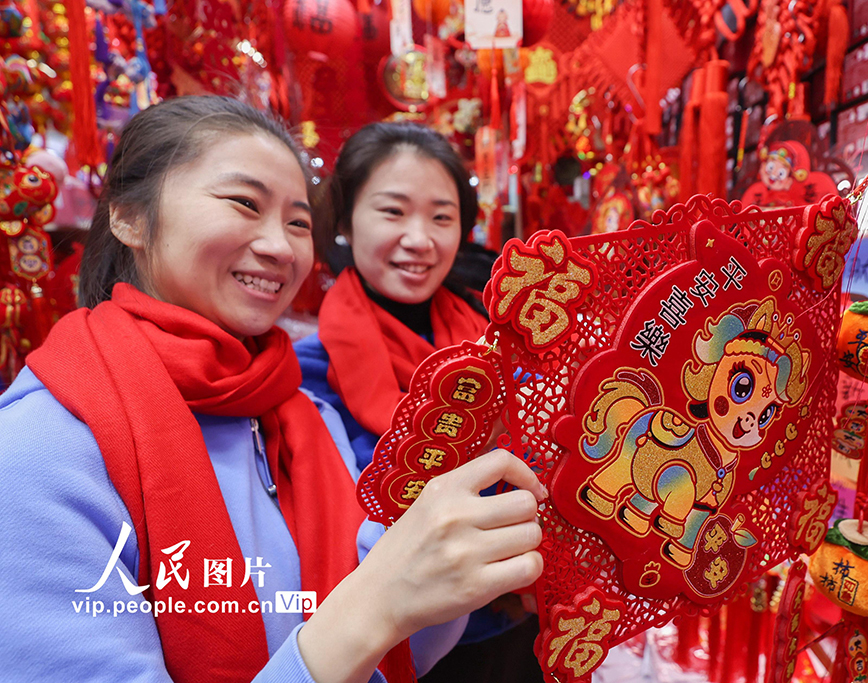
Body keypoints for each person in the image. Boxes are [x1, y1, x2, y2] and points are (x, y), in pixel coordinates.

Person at [0, 96, 545, 683]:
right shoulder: (38, 452)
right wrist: (376, 604)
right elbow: (375, 609)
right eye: (243, 203)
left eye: (297, 222)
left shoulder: (300, 414)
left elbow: (403, 645)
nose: (281, 248)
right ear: (130, 216)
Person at [295, 122, 545, 683]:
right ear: (346, 221)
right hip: (395, 655)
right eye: (392, 212)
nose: (419, 239)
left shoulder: (498, 342)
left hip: (520, 630)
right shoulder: (308, 378)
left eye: (441, 216)